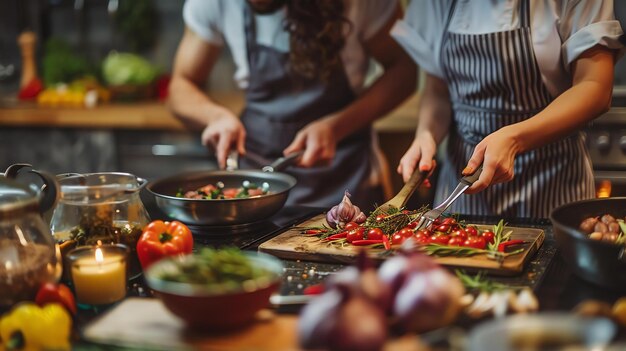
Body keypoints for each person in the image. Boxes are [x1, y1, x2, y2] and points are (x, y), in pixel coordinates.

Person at [168, 0, 417, 209]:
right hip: (258, 191)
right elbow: (180, 86)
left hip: (346, 182)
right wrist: (216, 117)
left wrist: (336, 127)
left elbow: (405, 71)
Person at [392, 0, 624, 217]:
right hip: (461, 184)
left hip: (553, 180)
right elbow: (438, 92)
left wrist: (514, 139)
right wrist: (426, 134)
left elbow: (594, 87)